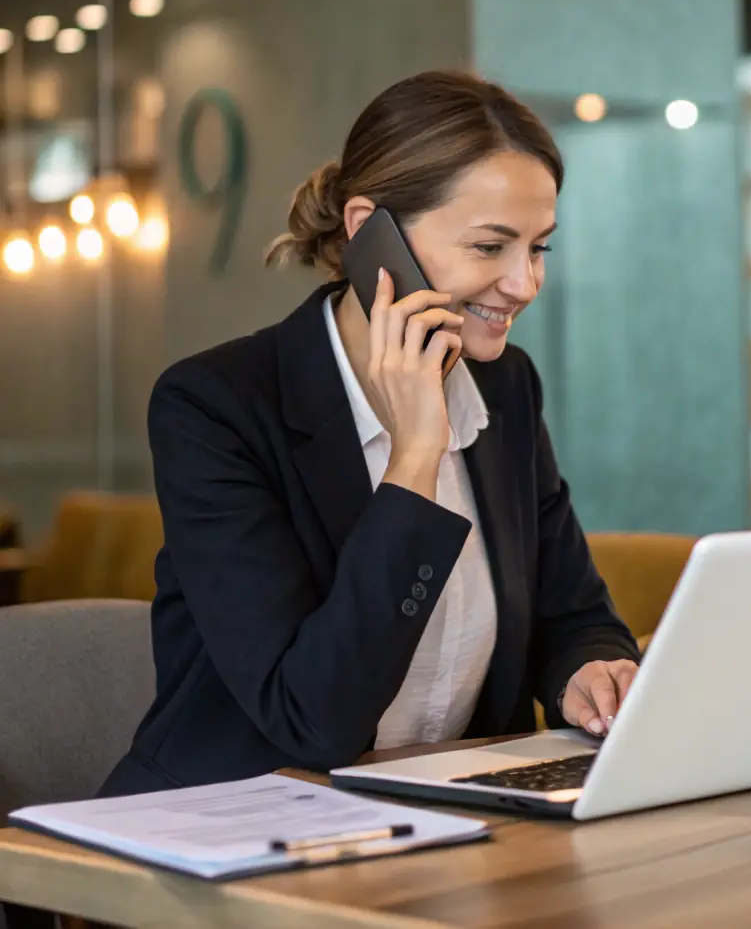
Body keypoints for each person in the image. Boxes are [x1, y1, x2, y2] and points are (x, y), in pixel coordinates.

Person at [99, 70, 639, 797]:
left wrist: (591, 667)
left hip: (450, 822)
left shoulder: (505, 387)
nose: (524, 283)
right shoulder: (217, 407)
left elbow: (571, 613)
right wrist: (417, 454)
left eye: (539, 247)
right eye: (489, 247)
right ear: (368, 231)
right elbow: (312, 716)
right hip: (242, 829)